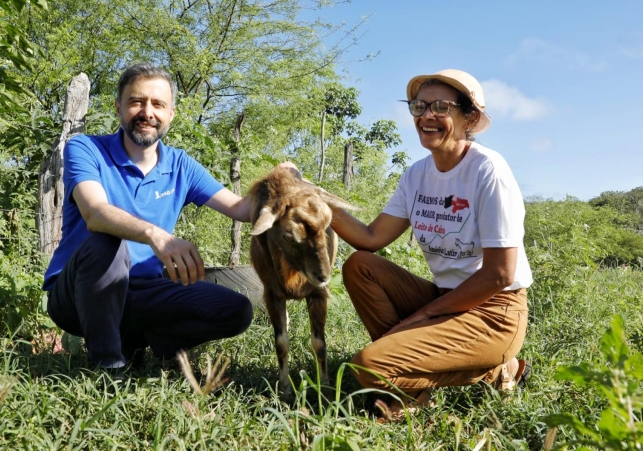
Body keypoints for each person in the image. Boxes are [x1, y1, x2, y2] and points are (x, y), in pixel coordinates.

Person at [329, 69, 533, 420]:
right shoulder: (417, 174)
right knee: (360, 265)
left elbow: (500, 275)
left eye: (441, 106)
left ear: (468, 117)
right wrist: (313, 200)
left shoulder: (488, 171)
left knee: (367, 366)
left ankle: (496, 369)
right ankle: (411, 380)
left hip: (493, 311)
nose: (427, 116)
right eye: (419, 106)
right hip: (446, 297)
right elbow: (371, 238)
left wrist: (424, 315)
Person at [43, 62, 258, 370]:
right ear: (119, 107)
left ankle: (139, 343)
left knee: (235, 310)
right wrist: (157, 235)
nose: (148, 112)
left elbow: (241, 208)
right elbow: (95, 213)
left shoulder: (181, 165)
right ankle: (109, 367)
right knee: (106, 242)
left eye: (158, 104)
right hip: (78, 293)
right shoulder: (86, 148)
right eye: (136, 101)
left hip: (143, 291)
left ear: (171, 113)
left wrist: (286, 186)